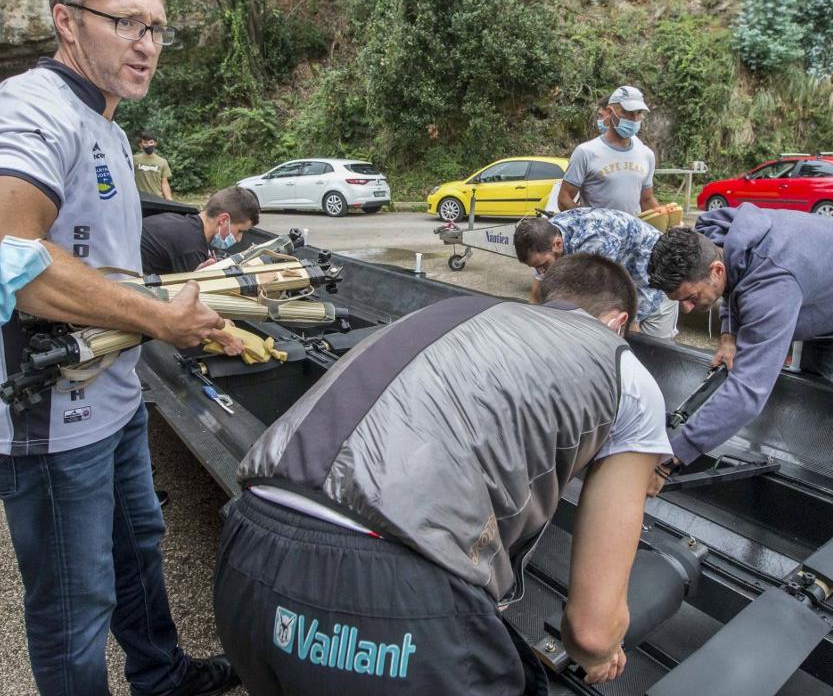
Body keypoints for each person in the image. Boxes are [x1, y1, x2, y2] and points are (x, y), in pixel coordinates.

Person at [0, 0, 242, 696]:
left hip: (109, 402)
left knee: (137, 548)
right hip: (46, 416)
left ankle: (162, 676)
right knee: (76, 603)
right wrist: (155, 316)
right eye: (127, 23)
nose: (147, 45)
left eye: (157, 28)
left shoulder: (105, 125)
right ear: (67, 22)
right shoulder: (31, 111)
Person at [214, 253, 672, 694]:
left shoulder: (458, 313)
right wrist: (601, 653)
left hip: (246, 547)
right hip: (381, 593)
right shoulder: (623, 369)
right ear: (618, 323)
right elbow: (590, 629)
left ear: (542, 301)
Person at [646, 203, 833, 469]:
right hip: (821, 291)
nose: (688, 309)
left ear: (715, 270)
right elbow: (734, 278)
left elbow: (748, 392)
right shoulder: (713, 236)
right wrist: (729, 335)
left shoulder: (771, 287)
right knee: (812, 394)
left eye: (691, 298)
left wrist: (675, 457)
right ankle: (818, 470)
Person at [514, 207, 679, 339]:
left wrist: (632, 323)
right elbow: (538, 292)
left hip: (654, 282)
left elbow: (603, 298)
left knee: (651, 350)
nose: (541, 272)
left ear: (557, 244)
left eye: (543, 265)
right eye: (535, 267)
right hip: (623, 272)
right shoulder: (547, 233)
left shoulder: (595, 241)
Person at [558, 86, 659, 215]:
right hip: (597, 234)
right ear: (610, 112)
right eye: (626, 112)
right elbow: (564, 199)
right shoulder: (586, 152)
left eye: (638, 112)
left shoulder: (646, 155)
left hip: (633, 233)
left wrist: (668, 220)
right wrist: (590, 222)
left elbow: (646, 200)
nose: (633, 118)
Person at [141, 186, 260, 275]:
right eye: (240, 231)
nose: (239, 239)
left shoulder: (186, 224)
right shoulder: (191, 248)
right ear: (223, 220)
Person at [134, 130, 174, 199]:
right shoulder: (133, 160)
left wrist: (169, 200)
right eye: (145, 143)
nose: (148, 145)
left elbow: (164, 183)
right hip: (139, 199)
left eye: (151, 142)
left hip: (158, 199)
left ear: (155, 143)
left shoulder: (162, 162)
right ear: (141, 145)